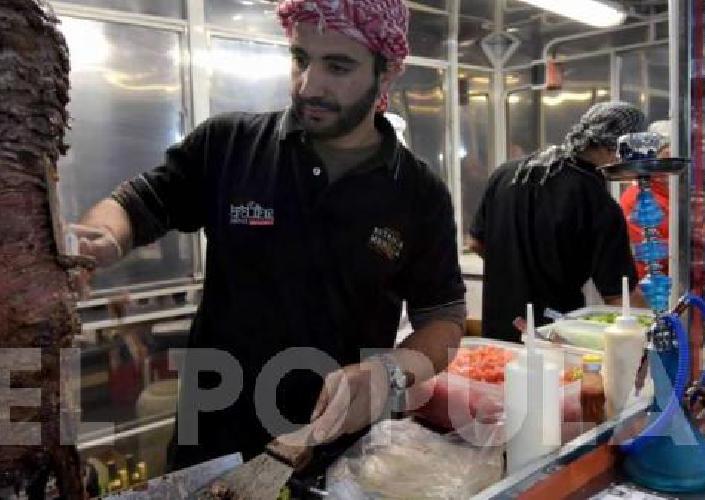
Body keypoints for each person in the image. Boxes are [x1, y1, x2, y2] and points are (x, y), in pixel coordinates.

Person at [69, 0, 466, 472]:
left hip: (336, 456)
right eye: (300, 58)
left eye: (337, 66)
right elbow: (137, 204)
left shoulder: (418, 194)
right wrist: (102, 238)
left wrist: (390, 373)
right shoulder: (229, 146)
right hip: (213, 447)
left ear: (387, 74)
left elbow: (443, 318)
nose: (308, 85)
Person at [467, 102, 646, 342]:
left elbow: (476, 243)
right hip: (554, 335)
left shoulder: (506, 173)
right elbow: (620, 298)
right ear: (615, 147)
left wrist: (515, 271)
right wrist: (654, 326)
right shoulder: (596, 201)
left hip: (498, 329)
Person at [618, 120, 705, 278]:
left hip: (695, 284)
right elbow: (650, 252)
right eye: (665, 156)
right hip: (658, 292)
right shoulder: (637, 198)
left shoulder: (693, 197)